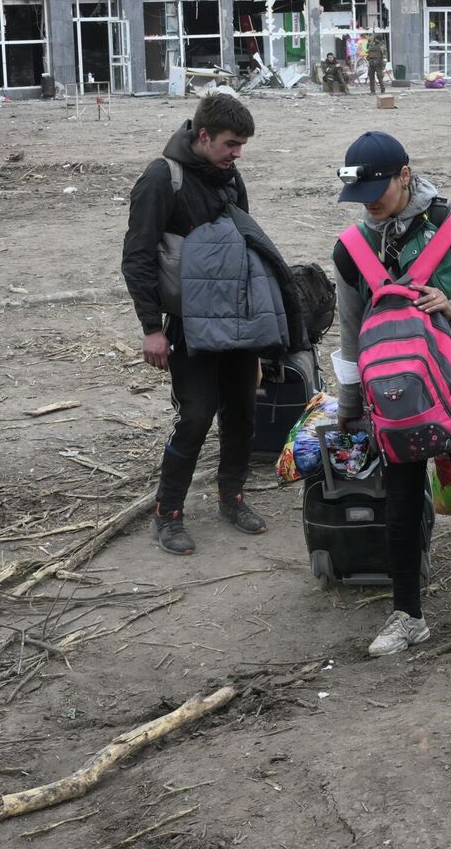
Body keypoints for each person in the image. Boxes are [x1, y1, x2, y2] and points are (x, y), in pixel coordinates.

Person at [330, 131, 451, 656]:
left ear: (405, 175)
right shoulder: (353, 250)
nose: (370, 203)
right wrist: (350, 409)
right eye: (360, 194)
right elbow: (351, 333)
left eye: (379, 190)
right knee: (400, 509)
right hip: (393, 400)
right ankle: (407, 613)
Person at [121, 91, 276, 555]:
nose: (237, 154)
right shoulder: (160, 179)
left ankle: (232, 497)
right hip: (190, 325)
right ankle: (168, 514)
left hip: (239, 322)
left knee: (242, 414)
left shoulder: (230, 176)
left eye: (242, 145)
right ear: (203, 135)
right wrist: (152, 328)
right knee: (194, 417)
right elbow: (138, 258)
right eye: (231, 144)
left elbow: (247, 244)